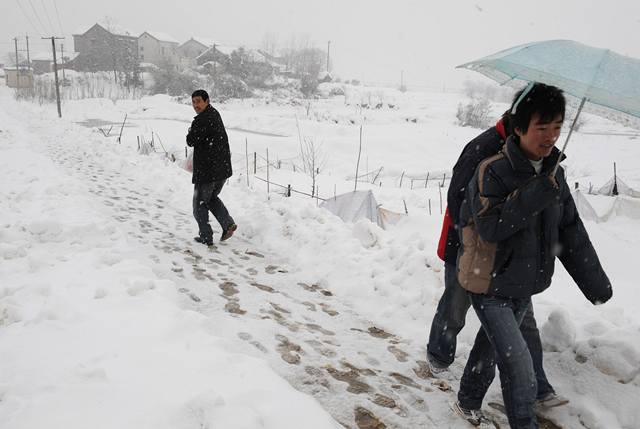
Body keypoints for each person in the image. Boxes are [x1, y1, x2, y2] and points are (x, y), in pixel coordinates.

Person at [453, 82, 612, 428]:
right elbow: (491, 227)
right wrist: (533, 195)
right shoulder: (491, 171)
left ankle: (467, 398)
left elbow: (571, 232)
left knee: (492, 346)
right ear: (519, 127)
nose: (551, 136)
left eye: (557, 127)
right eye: (542, 127)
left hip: (525, 283)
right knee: (519, 367)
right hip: (489, 283)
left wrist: (596, 284)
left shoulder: (556, 175)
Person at [428, 109, 561, 407]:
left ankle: (539, 385)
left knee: (523, 321)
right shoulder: (482, 148)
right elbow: (457, 198)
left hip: (512, 258)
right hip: (466, 248)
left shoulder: (535, 158)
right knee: (455, 307)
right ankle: (438, 354)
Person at [187, 89, 236, 245]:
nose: (196, 105)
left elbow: (191, 140)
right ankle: (228, 224)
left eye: (199, 101)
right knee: (211, 198)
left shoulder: (203, 120)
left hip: (208, 171)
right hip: (221, 169)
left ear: (207, 101)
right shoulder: (214, 113)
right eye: (193, 102)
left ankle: (206, 236)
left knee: (199, 203)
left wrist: (190, 130)